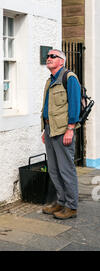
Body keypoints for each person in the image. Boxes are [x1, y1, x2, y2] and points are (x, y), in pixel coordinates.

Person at [41, 49, 81, 219]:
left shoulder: (69, 78)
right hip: (50, 129)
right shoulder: (50, 81)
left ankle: (71, 207)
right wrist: (45, 129)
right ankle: (61, 201)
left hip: (64, 130)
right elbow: (48, 107)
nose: (49, 58)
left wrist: (70, 129)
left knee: (66, 169)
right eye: (48, 56)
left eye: (53, 56)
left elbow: (74, 105)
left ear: (62, 61)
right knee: (54, 169)